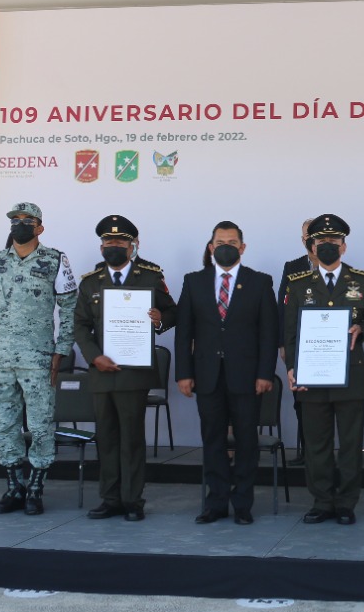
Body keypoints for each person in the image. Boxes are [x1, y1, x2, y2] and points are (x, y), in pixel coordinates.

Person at [283, 214, 364, 525]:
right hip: (311, 375)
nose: (328, 246)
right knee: (317, 444)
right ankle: (322, 501)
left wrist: (361, 330)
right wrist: (290, 367)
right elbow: (288, 332)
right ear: (311, 247)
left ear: (343, 246)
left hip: (350, 374)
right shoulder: (298, 284)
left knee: (352, 444)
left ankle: (346, 503)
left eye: (334, 241)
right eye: (321, 242)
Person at [74, 215, 177, 522]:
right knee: (106, 438)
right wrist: (94, 357)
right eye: (109, 241)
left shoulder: (150, 277)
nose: (114, 246)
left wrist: (158, 319)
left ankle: (133, 500)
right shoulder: (90, 282)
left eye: (120, 241)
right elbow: (80, 326)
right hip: (102, 372)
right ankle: (110, 498)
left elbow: (172, 312)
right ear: (102, 245)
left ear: (133, 245)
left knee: (131, 438)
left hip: (134, 373)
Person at [175, 221, 278, 525]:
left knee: (247, 441)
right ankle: (216, 503)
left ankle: (243, 504)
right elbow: (184, 332)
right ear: (211, 246)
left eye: (232, 241)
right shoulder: (194, 281)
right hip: (207, 374)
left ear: (242, 248)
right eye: (220, 241)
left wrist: (265, 373)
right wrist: (183, 372)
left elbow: (268, 334)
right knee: (213, 440)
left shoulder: (259, 282)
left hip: (247, 376)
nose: (226, 246)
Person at [0, 202, 78, 515]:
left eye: (28, 220)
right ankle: (14, 486)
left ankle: (36, 487)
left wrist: (61, 350)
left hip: (38, 358)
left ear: (40, 228)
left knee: (40, 426)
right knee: (6, 425)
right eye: (15, 220)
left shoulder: (55, 260)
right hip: (3, 360)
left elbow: (69, 307)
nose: (20, 225)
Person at [281, 217, 317, 464]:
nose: (310, 239)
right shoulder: (292, 267)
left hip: (328, 346)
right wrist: (283, 344)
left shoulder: (339, 266)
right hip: (298, 345)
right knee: (301, 401)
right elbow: (282, 308)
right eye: (306, 235)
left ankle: (321, 453)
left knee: (326, 404)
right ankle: (305, 451)